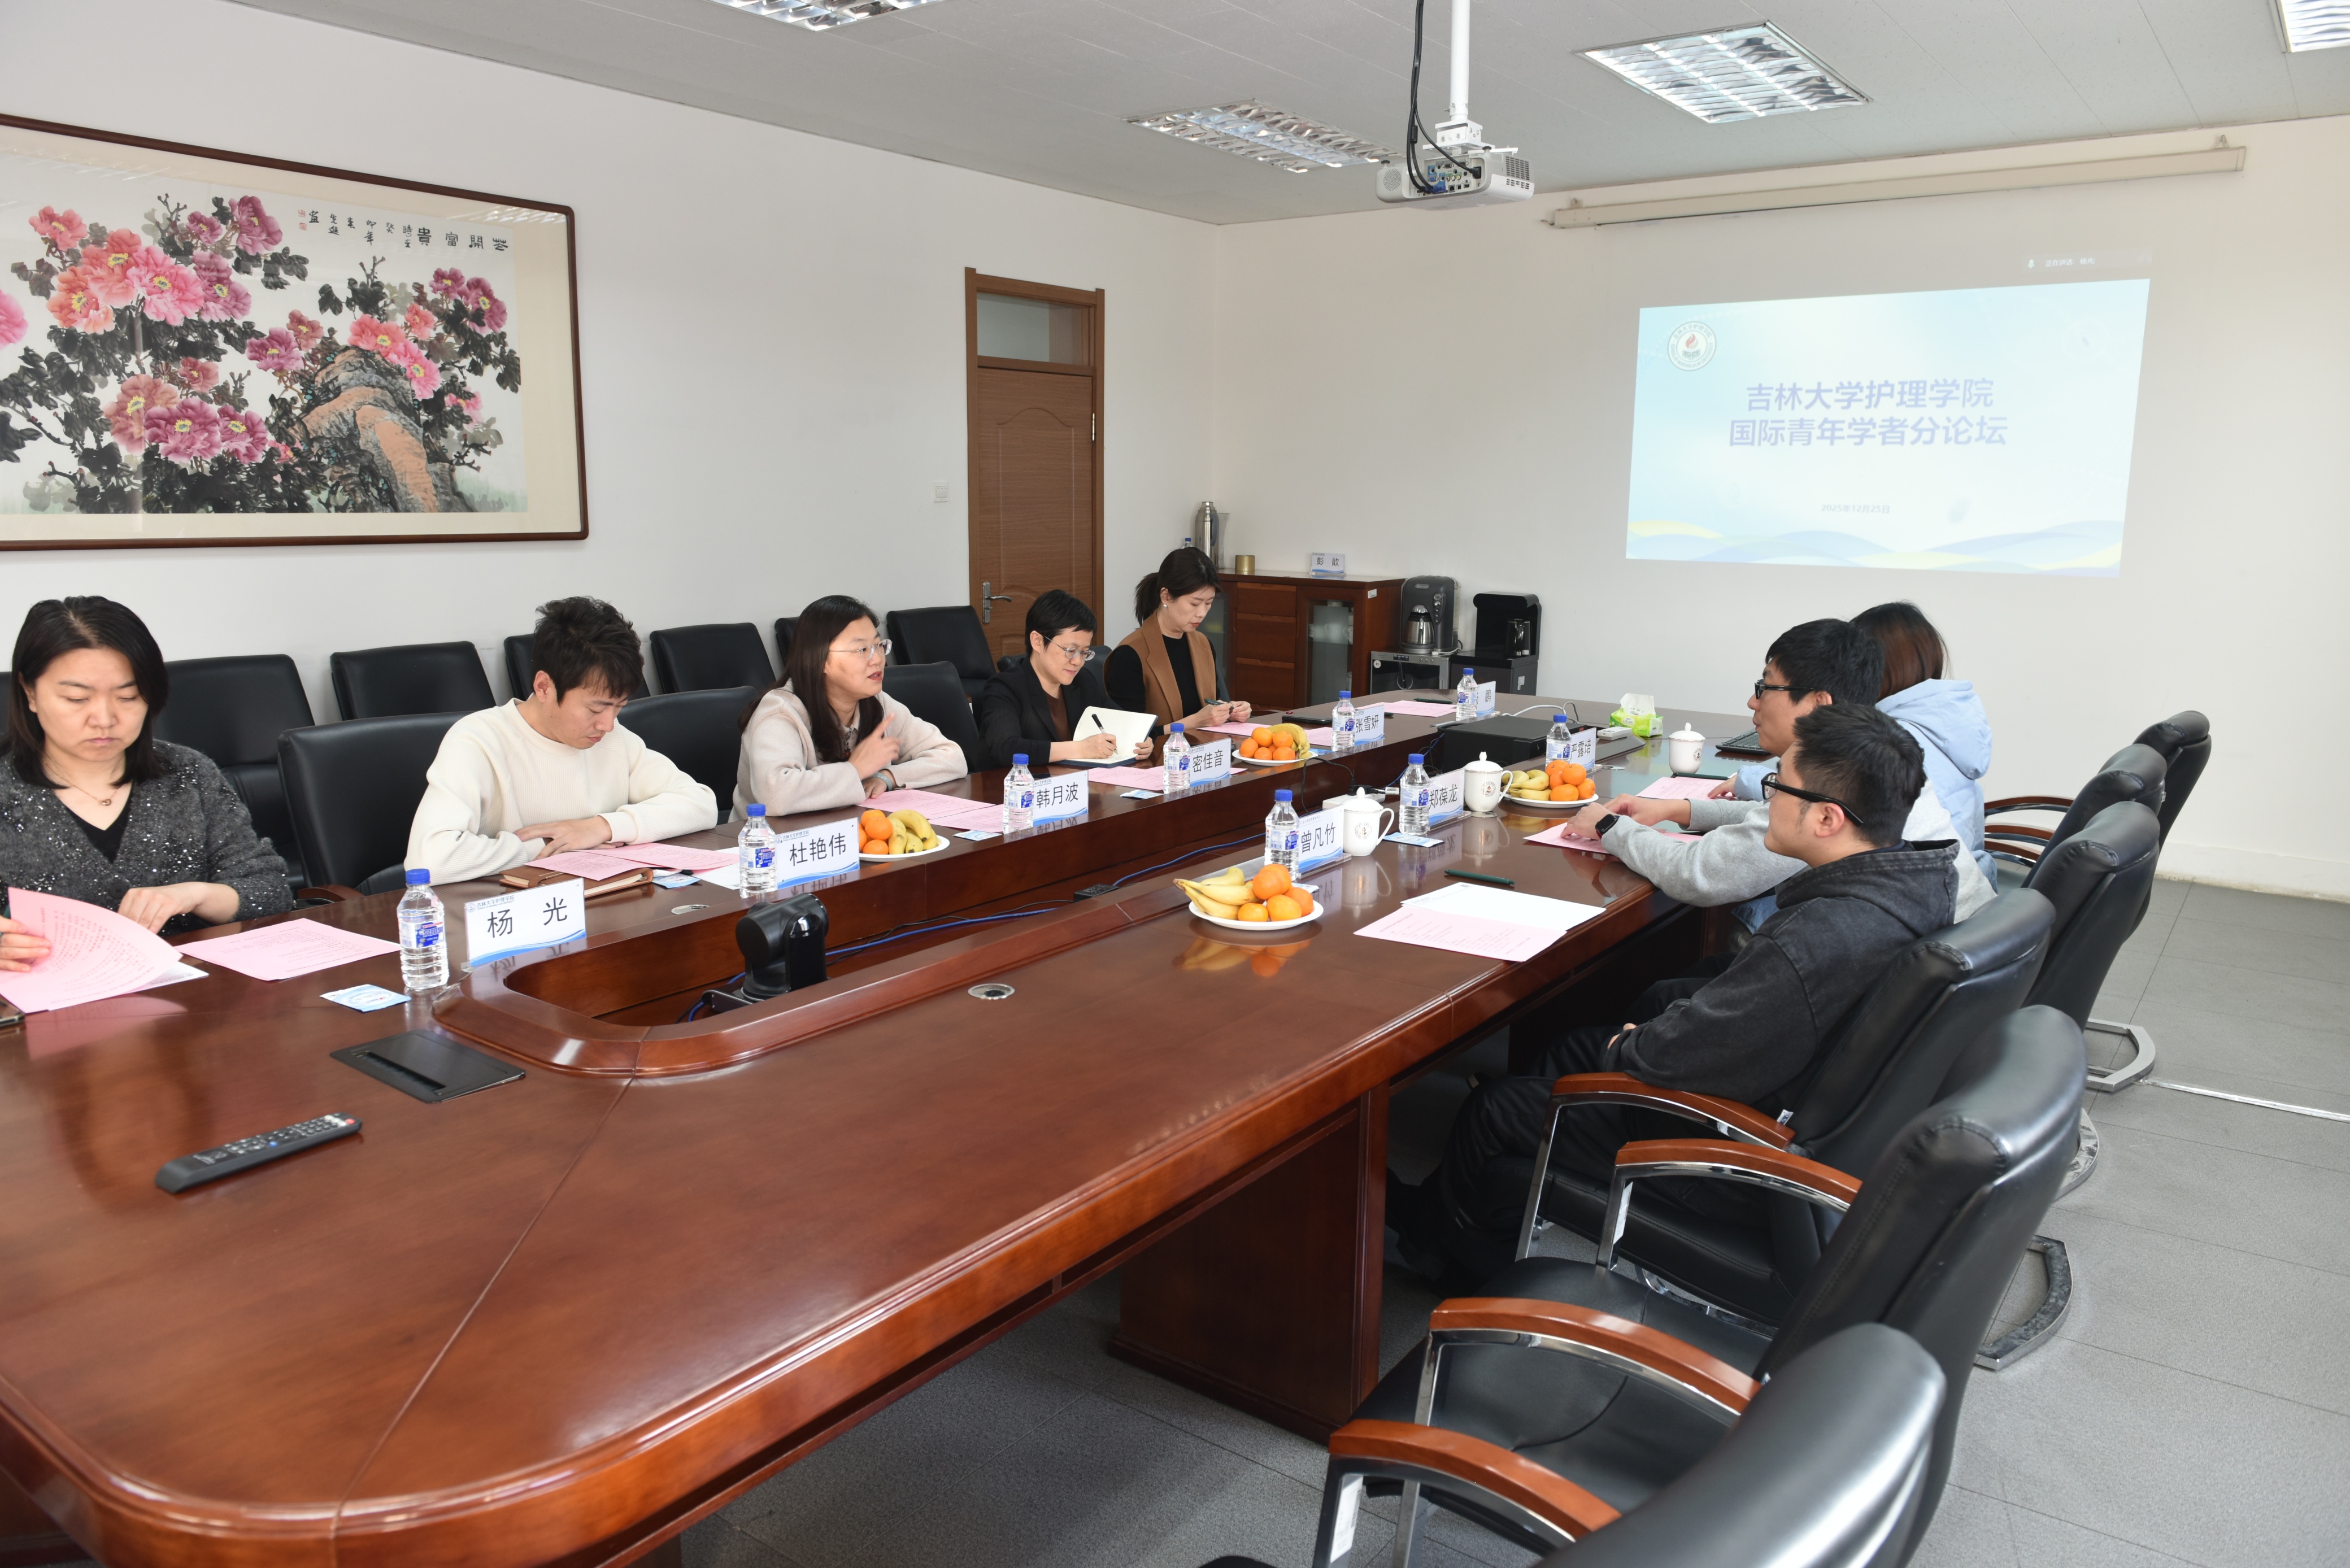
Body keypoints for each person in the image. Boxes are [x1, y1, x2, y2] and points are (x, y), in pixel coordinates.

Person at [1390, 704, 1962, 1281]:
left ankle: (1448, 1266)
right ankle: (1450, 1215)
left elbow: (1683, 1055)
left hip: (1735, 1156)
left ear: (1827, 819)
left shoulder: (1818, 939)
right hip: (1796, 1109)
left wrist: (1630, 1046)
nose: (1767, 802)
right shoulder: (1908, 881)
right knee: (1567, 1050)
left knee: (1492, 1110)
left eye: (1778, 788)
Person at [1561, 618, 1994, 929]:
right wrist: (1679, 809)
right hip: (1957, 957)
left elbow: (1700, 875)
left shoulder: (1834, 777)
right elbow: (1778, 813)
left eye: (1766, 687)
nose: (1754, 702)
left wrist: (1609, 827)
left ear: (1819, 702)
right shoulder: (1872, 753)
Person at [0, 596, 290, 968]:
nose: (104, 719)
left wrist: (195, 895)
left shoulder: (188, 772)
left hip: (196, 992)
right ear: (30, 693)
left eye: (128, 696)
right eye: (76, 698)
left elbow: (270, 892)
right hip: (46, 996)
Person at [406, 596, 716, 883]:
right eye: (595, 708)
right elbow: (431, 859)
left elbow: (701, 804)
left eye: (619, 706)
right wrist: (552, 844)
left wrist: (602, 828)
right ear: (544, 687)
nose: (608, 724)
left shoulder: (614, 739)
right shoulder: (478, 740)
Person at [736, 595, 967, 817]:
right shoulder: (780, 712)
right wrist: (856, 770)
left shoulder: (877, 702)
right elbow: (777, 795)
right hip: (766, 841)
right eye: (863, 650)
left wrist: (888, 776)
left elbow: (952, 757)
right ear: (821, 660)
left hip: (850, 831)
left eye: (878, 646)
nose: (878, 659)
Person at [975, 590, 1151, 771]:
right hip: (1016, 785)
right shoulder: (1004, 688)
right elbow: (1006, 748)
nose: (1078, 662)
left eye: (1084, 653)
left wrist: (1140, 740)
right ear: (1037, 641)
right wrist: (1079, 749)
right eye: (1071, 651)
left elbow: (1124, 721)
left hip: (1071, 782)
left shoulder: (1082, 681)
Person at [1104, 547, 1251, 738]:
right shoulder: (1130, 654)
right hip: (1158, 755)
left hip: (1204, 750)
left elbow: (1211, 706)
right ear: (1166, 596)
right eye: (1194, 603)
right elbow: (1128, 735)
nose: (1202, 613)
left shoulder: (1203, 645)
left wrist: (1230, 712)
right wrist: (1194, 722)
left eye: (1209, 603)